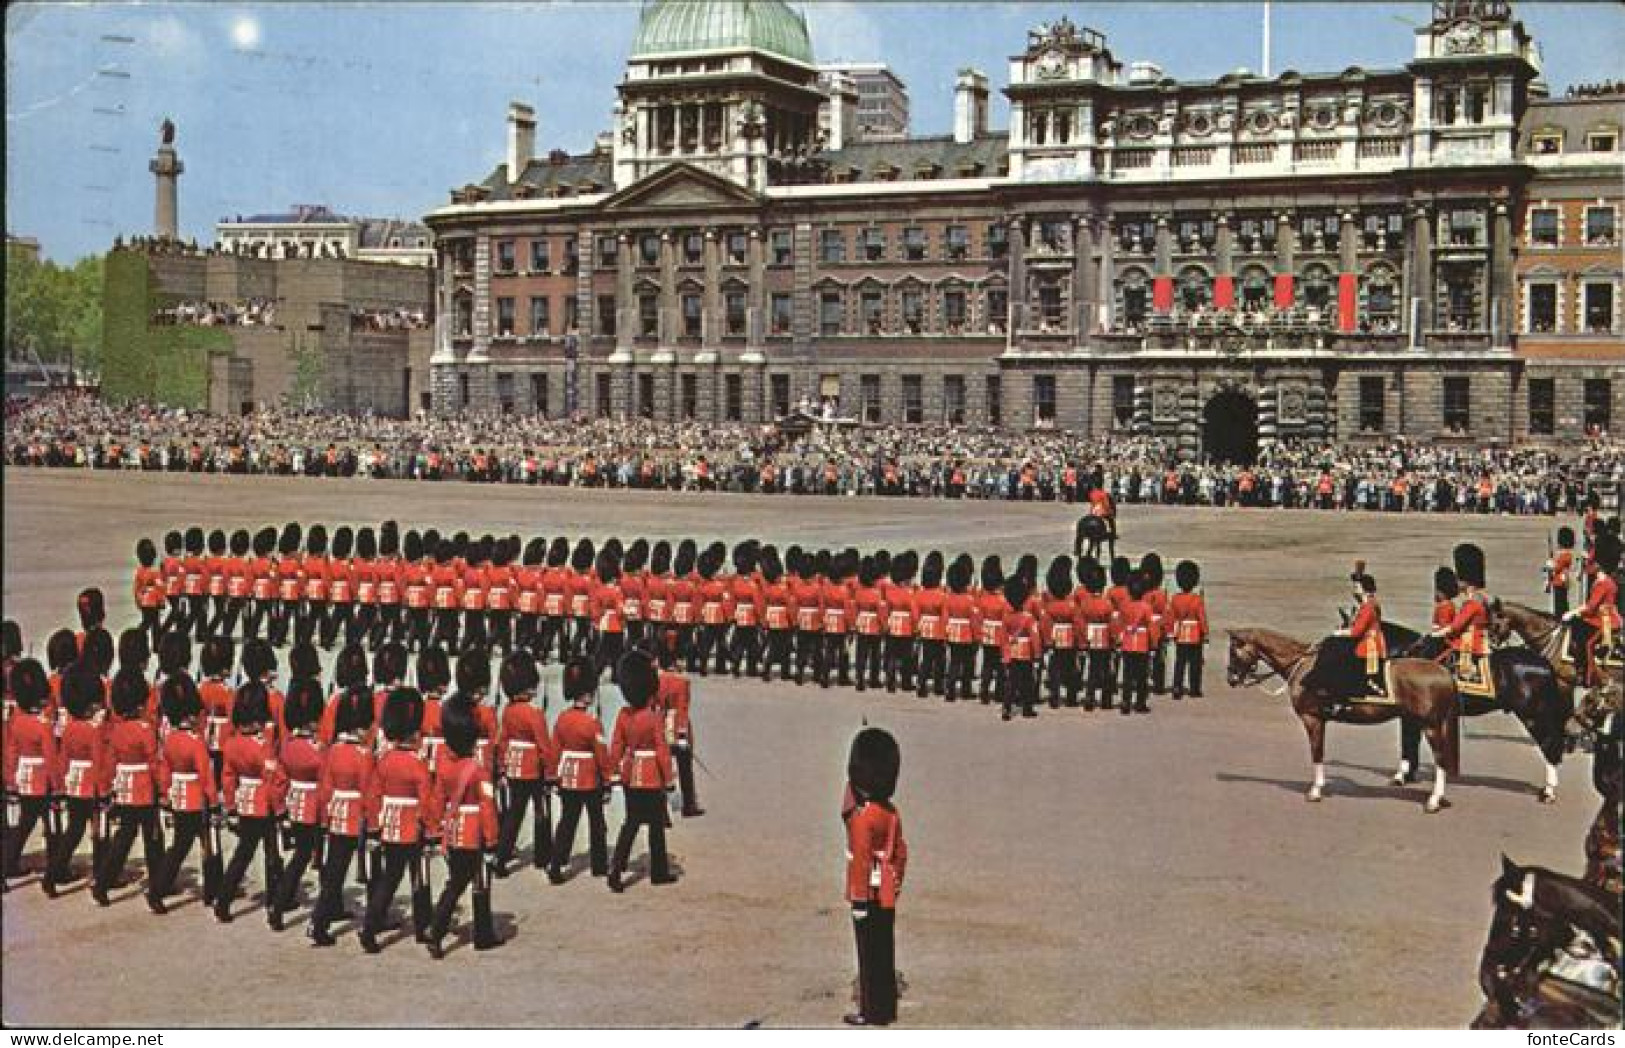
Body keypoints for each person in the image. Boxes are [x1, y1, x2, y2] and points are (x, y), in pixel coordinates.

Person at [425, 695, 503, 956]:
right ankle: (474, 933)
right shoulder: (478, 771)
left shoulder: (445, 766)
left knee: (456, 881)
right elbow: (488, 807)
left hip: (452, 831)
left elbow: (437, 799)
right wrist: (492, 840)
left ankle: (440, 929)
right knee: (471, 882)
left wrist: (435, 829)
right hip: (473, 833)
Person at [361, 687, 436, 952]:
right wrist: (431, 830)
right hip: (411, 825)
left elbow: (373, 796)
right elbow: (427, 802)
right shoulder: (417, 764)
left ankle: (370, 926)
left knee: (389, 879)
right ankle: (422, 926)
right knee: (419, 877)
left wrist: (374, 826)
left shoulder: (385, 760)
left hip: (389, 824)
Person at [842, 727, 907, 1027]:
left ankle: (869, 1010)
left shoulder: (863, 817)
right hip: (886, 891)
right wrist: (895, 883)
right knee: (884, 950)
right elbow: (901, 852)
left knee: (868, 956)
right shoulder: (890, 812)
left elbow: (861, 860)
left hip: (866, 893)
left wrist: (857, 899)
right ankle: (885, 1007)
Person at [145, 671, 220, 911]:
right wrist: (214, 800)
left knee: (181, 846)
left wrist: (166, 794)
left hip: (178, 796)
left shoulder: (170, 739)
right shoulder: (195, 741)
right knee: (208, 844)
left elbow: (164, 770)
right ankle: (211, 891)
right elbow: (205, 774)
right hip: (197, 799)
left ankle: (159, 888)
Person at [93, 666, 166, 906]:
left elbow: (110, 762)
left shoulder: (117, 729)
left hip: (124, 788)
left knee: (123, 838)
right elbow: (155, 763)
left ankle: (102, 882)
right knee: (153, 839)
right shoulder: (145, 729)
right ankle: (158, 887)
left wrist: (106, 788)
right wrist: (164, 790)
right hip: (144, 789)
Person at [214, 682, 285, 922]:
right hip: (264, 804)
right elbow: (274, 779)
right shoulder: (262, 746)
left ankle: (223, 899)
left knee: (242, 854)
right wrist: (280, 808)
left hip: (244, 802)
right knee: (272, 855)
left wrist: (232, 804)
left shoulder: (232, 743)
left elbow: (227, 777)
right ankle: (275, 905)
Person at [309, 685, 374, 947]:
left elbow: (325, 787)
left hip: (335, 814)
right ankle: (324, 921)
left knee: (335, 870)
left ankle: (322, 918)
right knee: (355, 872)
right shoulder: (364, 755)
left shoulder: (334, 750)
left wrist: (324, 818)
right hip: (355, 816)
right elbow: (369, 792)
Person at [607, 648, 676, 893]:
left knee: (631, 824)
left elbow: (616, 746)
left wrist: (611, 772)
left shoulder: (624, 715)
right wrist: (668, 779)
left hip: (630, 774)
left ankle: (616, 868)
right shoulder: (653, 717)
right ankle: (659, 872)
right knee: (656, 827)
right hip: (651, 776)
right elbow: (662, 751)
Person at [546, 657, 613, 885]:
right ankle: (599, 865)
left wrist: (553, 775)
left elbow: (555, 749)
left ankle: (556, 864)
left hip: (568, 776)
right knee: (597, 823)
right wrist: (607, 780)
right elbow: (602, 755)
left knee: (566, 823)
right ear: (587, 694)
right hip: (589, 778)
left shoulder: (562, 719)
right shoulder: (592, 723)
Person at [46, 666, 108, 895]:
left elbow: (63, 759)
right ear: (91, 704)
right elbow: (99, 761)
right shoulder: (93, 731)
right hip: (91, 784)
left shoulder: (70, 728)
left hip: (73, 782)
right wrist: (104, 790)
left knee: (74, 831)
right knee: (98, 831)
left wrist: (61, 784)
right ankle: (100, 875)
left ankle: (52, 873)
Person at [269, 677, 325, 931]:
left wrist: (280, 809)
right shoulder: (317, 749)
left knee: (301, 857)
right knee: (320, 859)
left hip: (296, 804)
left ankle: (279, 905)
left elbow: (280, 781)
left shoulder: (289, 746)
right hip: (317, 807)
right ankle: (326, 906)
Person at [493, 649, 554, 877]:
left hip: (514, 766)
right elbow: (544, 747)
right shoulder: (534, 713)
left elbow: (503, 740)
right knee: (541, 811)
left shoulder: (508, 711)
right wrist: (550, 773)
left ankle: (501, 857)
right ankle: (542, 855)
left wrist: (501, 765)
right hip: (533, 768)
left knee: (513, 815)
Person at [3, 659, 56, 887]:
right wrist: (58, 782)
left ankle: (7, 865)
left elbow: (11, 752)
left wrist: (11, 778)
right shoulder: (42, 723)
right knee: (51, 825)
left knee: (24, 824)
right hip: (42, 779)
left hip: (22, 776)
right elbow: (51, 757)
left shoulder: (16, 721)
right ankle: (55, 869)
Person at [1434, 543, 1493, 699]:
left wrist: (1437, 634)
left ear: (1466, 581)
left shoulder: (1473, 602)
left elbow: (1456, 626)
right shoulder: (1480, 598)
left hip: (1471, 642)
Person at [1566, 529, 1621, 693]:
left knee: (1588, 644)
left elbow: (1590, 607)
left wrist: (1573, 612)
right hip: (1601, 617)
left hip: (1605, 621)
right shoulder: (1604, 580)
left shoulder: (1603, 583)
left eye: (1593, 562)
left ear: (1599, 564)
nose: (1589, 565)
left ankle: (1590, 677)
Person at [1341, 567, 1388, 698]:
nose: (1354, 591)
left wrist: (1340, 633)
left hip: (1369, 644)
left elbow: (1357, 631)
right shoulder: (1368, 605)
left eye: (1357, 587)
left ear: (1364, 590)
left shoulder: (1368, 607)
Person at [1001, 576, 1042, 720]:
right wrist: (1037, 655)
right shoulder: (1028, 618)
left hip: (1012, 652)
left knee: (1011, 682)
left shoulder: (1006, 617)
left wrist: (1005, 655)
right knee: (1027, 682)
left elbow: (1004, 638)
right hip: (1026, 652)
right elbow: (1035, 637)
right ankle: (1027, 708)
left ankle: (1006, 707)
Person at [1169, 560, 1209, 699]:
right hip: (1194, 634)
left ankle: (1177, 687)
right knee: (1195, 664)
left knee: (1180, 663)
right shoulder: (1197, 600)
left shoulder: (1175, 599)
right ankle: (1194, 688)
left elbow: (1172, 617)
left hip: (1181, 632)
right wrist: (1205, 633)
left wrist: (1172, 632)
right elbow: (1202, 618)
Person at [1548, 526, 1576, 619]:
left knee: (1560, 605)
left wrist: (1550, 564)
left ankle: (1561, 619)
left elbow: (1556, 568)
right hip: (1561, 581)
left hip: (1559, 582)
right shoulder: (1565, 554)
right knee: (1562, 602)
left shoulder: (1565, 555)